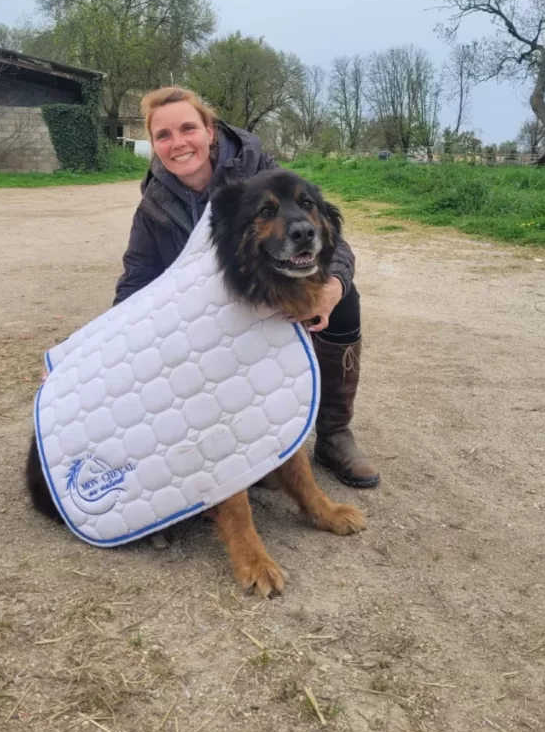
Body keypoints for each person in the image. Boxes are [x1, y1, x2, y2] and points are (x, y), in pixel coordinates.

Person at [112, 86, 381, 489]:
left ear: (210, 131)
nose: (178, 143)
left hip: (261, 291)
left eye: (188, 128)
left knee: (343, 298)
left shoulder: (258, 168)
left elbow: (332, 241)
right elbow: (136, 281)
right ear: (153, 145)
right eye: (163, 136)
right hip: (206, 313)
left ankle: (334, 433)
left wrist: (334, 288)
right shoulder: (153, 205)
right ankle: (243, 438)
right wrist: (88, 353)